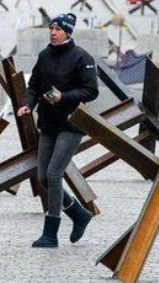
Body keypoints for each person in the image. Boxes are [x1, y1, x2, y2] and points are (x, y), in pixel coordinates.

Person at [17, 13, 100, 247]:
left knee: (54, 174)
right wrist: (26, 104)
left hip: (71, 124)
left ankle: (50, 233)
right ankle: (79, 215)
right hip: (48, 123)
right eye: (51, 28)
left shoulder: (81, 57)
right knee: (43, 177)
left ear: (68, 32)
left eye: (58, 29)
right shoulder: (44, 56)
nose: (53, 32)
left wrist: (63, 97)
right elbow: (33, 86)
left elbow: (91, 91)